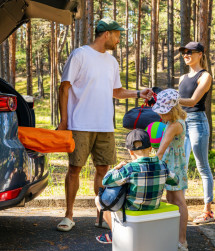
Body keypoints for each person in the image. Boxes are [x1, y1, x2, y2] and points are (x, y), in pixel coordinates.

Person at [56, 18, 153, 232]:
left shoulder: (112, 62)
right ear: (107, 34)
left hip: (105, 126)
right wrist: (64, 121)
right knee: (74, 169)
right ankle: (68, 215)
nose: (119, 39)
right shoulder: (80, 54)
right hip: (80, 123)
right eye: (117, 35)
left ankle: (101, 216)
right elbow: (64, 88)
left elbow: (116, 92)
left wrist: (139, 93)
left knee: (103, 170)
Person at [95, 129, 179, 244]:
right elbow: (175, 181)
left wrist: (116, 168)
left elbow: (106, 181)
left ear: (130, 152)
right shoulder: (162, 165)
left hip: (132, 209)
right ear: (150, 148)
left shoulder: (129, 168)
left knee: (98, 200)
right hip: (153, 207)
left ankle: (115, 234)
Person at [178, 42, 214, 224]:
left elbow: (192, 101)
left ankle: (208, 211)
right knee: (181, 166)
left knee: (202, 167)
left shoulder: (205, 76)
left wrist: (171, 99)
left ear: (200, 54)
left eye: (190, 52)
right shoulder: (183, 77)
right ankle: (181, 208)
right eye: (184, 52)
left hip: (197, 122)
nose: (186, 55)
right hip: (182, 122)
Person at [153, 89, 189, 251]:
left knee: (179, 201)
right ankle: (173, 236)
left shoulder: (174, 125)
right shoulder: (174, 121)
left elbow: (161, 150)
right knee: (172, 200)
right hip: (173, 164)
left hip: (173, 167)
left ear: (172, 110)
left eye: (163, 112)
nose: (160, 116)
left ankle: (182, 240)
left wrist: (148, 165)